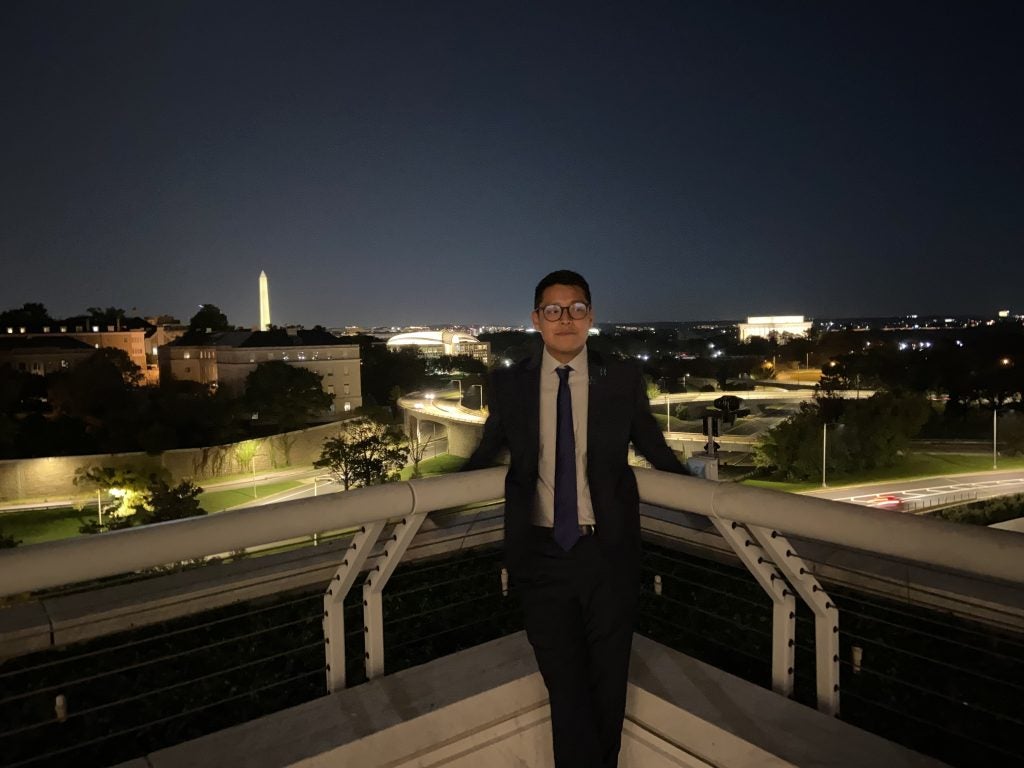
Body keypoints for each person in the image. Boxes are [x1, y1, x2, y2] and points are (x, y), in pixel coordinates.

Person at [461, 269, 689, 768]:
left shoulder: (622, 379)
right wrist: (435, 506)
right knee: (566, 687)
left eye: (576, 308)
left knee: (608, 689)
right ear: (536, 320)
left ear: (591, 315)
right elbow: (486, 450)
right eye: (553, 310)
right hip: (540, 555)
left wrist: (706, 503)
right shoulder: (508, 383)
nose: (566, 319)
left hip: (609, 553)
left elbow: (654, 449)